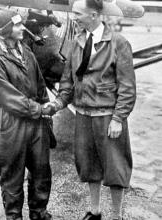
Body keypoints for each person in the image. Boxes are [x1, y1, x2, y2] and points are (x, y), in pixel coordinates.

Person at [44, 0, 143, 219]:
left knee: (116, 167)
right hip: (83, 115)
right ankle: (95, 210)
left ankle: (116, 215)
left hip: (108, 116)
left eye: (78, 13)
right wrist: (58, 103)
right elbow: (67, 81)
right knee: (88, 165)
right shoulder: (76, 43)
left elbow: (127, 86)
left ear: (94, 15)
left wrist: (118, 118)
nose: (75, 17)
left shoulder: (119, 43)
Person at [0, 8, 54, 220]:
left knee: (41, 172)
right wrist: (39, 110)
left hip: (36, 120)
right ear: (5, 31)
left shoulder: (26, 51)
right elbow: (8, 97)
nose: (23, 27)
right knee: (12, 176)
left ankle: (39, 213)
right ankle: (14, 216)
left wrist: (46, 108)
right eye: (18, 25)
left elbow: (40, 85)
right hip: (9, 122)